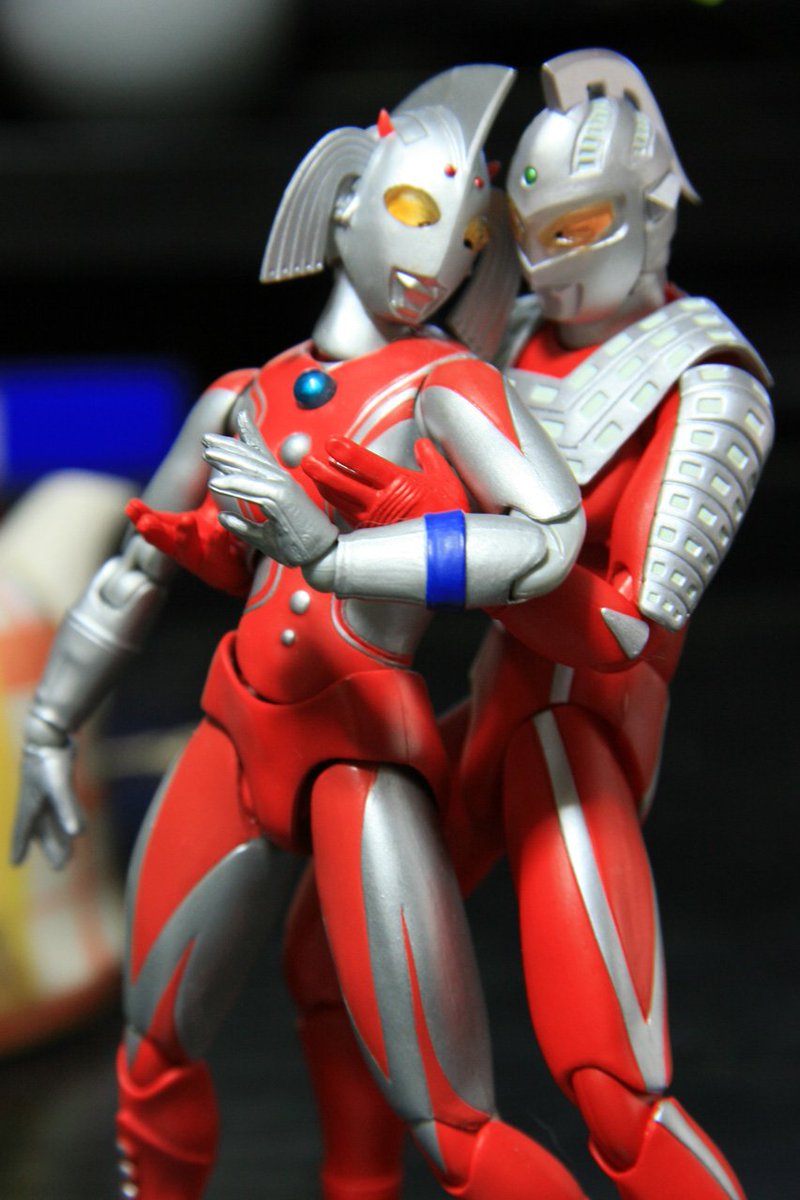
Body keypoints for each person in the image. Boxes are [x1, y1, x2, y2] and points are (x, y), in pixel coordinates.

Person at [12, 66, 590, 1200]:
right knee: (151, 1050)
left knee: (448, 1116)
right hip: (235, 736)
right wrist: (47, 723)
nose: (441, 253)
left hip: (360, 751)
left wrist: (335, 555)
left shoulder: (448, 390)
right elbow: (136, 569)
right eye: (417, 208)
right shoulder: (243, 395)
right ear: (346, 207)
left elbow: (548, 537)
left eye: (470, 234)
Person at [304, 49, 773, 1200]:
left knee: (614, 1094)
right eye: (530, 233)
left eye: (580, 228)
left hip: (580, 735)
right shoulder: (503, 334)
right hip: (497, 703)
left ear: (647, 210)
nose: (552, 262)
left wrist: (445, 541)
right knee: (323, 956)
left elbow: (621, 635)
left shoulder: (705, 382)